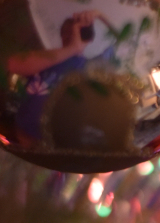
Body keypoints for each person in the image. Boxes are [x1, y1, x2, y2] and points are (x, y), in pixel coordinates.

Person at [8, 11, 116, 143]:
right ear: (61, 35)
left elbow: (122, 38)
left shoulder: (92, 68)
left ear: (89, 38)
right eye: (66, 31)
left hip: (58, 145)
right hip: (22, 135)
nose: (71, 35)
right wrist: (73, 48)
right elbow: (13, 64)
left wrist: (100, 15)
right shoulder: (48, 58)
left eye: (79, 32)